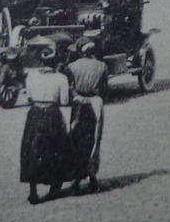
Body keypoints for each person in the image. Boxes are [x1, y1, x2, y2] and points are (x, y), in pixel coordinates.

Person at [19, 43, 73, 204]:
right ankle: (54, 187)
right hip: (52, 114)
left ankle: (33, 190)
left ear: (41, 62)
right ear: (55, 61)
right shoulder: (61, 78)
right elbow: (64, 101)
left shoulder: (31, 77)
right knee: (56, 148)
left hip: (34, 114)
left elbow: (28, 97)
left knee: (32, 150)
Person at [65, 38, 109, 193]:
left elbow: (69, 88)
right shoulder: (102, 66)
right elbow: (105, 88)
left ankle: (76, 179)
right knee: (94, 141)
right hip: (94, 103)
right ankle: (92, 177)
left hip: (78, 104)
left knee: (76, 140)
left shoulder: (71, 67)